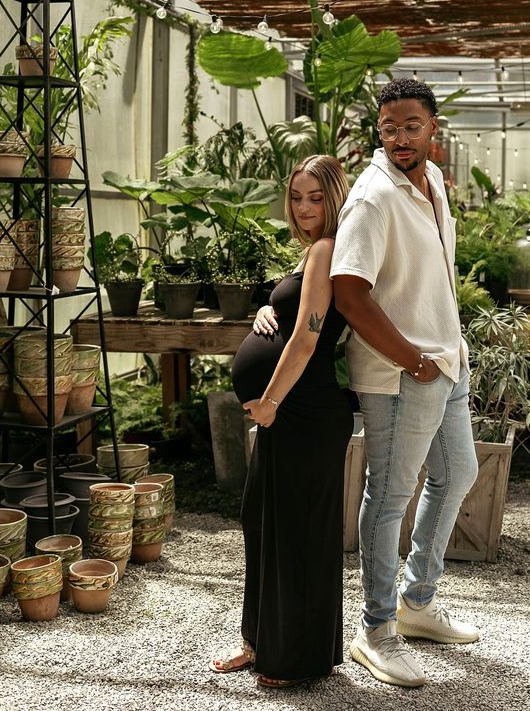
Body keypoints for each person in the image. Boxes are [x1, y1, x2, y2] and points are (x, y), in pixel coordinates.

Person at [330, 78, 480, 689]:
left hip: (446, 359)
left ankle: (418, 602)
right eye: (388, 128)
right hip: (402, 373)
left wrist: (445, 352)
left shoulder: (433, 183)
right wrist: (412, 358)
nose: (399, 138)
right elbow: (347, 290)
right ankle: (377, 631)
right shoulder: (373, 197)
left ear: (432, 130)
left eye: (410, 126)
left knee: (459, 473)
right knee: (390, 498)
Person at [209, 154, 353, 689]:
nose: (305, 206)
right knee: (263, 523)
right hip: (289, 412)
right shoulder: (308, 254)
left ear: (335, 198)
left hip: (303, 411)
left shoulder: (327, 248)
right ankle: (260, 640)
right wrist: (266, 310)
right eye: (297, 196)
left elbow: (310, 336)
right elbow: (296, 318)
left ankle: (293, 658)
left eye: (317, 197)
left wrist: (267, 399)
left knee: (294, 534)